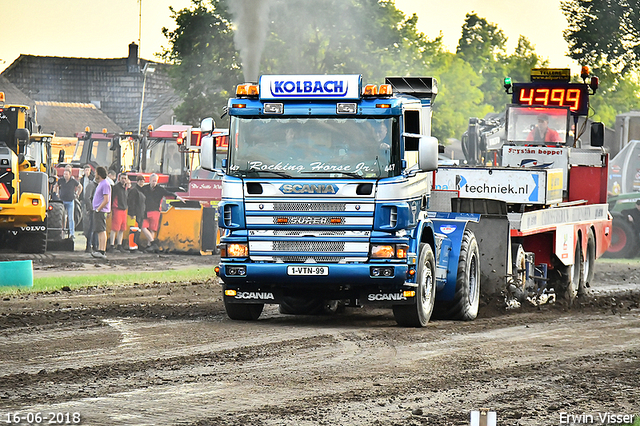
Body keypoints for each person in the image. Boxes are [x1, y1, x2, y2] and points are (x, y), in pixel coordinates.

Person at [141, 173, 178, 253]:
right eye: (153, 181)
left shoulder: (159, 189)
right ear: (150, 180)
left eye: (155, 181)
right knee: (143, 227)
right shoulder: (144, 188)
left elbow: (168, 193)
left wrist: (178, 197)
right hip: (145, 211)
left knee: (152, 229)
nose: (154, 182)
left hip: (155, 211)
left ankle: (149, 246)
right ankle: (153, 243)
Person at [54, 166, 82, 240]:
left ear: (70, 175)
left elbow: (80, 187)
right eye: (64, 174)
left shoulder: (73, 181)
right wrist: (57, 193)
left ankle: (72, 233)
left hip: (70, 201)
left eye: (66, 174)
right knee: (62, 218)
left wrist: (77, 194)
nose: (65, 176)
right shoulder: (61, 180)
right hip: (62, 201)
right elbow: (56, 186)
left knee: (71, 218)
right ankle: (62, 232)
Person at [91, 166, 111, 259]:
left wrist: (98, 209)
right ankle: (100, 249)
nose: (95, 174)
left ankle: (102, 250)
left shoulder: (105, 184)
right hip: (98, 210)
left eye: (96, 173)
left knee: (102, 230)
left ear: (99, 174)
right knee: (99, 230)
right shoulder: (101, 183)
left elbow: (106, 199)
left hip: (101, 211)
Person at [108, 173, 129, 253]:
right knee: (115, 228)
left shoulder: (125, 188)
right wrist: (109, 210)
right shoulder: (115, 188)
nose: (123, 180)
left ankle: (119, 245)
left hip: (124, 209)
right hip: (117, 209)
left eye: (125, 178)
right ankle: (112, 245)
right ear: (119, 179)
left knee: (122, 229)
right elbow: (112, 198)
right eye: (122, 178)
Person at [127, 175, 147, 251]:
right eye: (140, 181)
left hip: (140, 214)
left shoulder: (141, 191)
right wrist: (132, 214)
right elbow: (131, 203)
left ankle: (135, 246)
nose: (142, 182)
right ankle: (132, 247)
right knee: (133, 230)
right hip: (135, 214)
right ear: (137, 181)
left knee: (137, 231)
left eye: (143, 181)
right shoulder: (134, 191)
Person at [82, 171, 97, 253]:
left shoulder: (97, 185)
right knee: (91, 228)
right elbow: (87, 198)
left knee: (95, 228)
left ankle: (95, 245)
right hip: (92, 210)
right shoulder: (91, 185)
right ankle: (88, 246)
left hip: (97, 209)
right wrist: (91, 208)